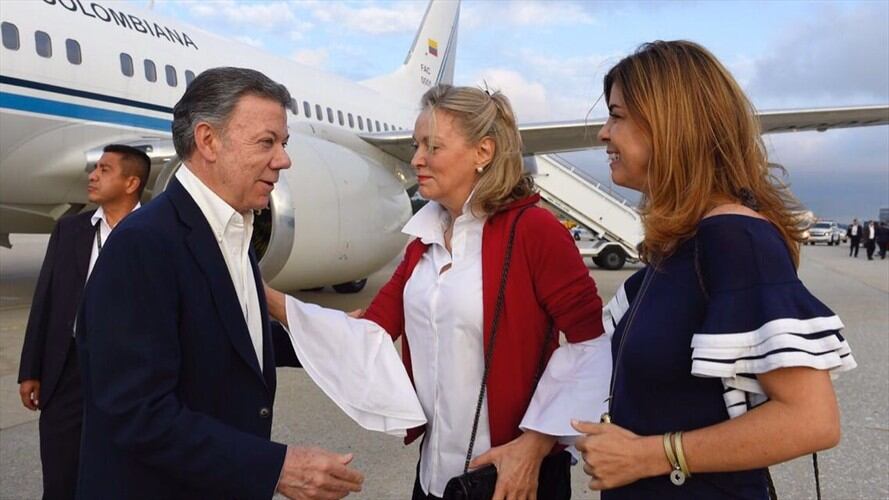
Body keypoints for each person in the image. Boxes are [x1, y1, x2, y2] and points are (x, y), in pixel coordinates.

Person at [266, 84, 610, 499]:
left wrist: (533, 447)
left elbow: (592, 346)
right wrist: (264, 293)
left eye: (433, 147)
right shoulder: (421, 243)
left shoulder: (535, 232)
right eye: (416, 146)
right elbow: (369, 335)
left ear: (483, 153)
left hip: (512, 479)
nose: (416, 160)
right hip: (435, 477)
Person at [572, 41, 856, 499]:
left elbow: (812, 420)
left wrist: (651, 455)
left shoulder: (735, 238)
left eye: (617, 115)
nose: (604, 134)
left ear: (671, 125)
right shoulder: (679, 246)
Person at [75, 67, 363, 500]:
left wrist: (329, 335)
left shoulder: (230, 229)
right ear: (208, 140)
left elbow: (230, 332)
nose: (284, 160)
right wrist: (276, 467)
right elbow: (138, 411)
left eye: (283, 144)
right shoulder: (143, 244)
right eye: (267, 142)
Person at [17, 144, 149, 500]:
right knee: (60, 476)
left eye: (105, 170)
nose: (92, 176)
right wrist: (31, 368)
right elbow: (45, 299)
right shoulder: (70, 230)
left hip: (128, 371)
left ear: (131, 182)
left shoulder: (156, 234)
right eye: (95, 168)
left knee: (122, 475)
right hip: (67, 368)